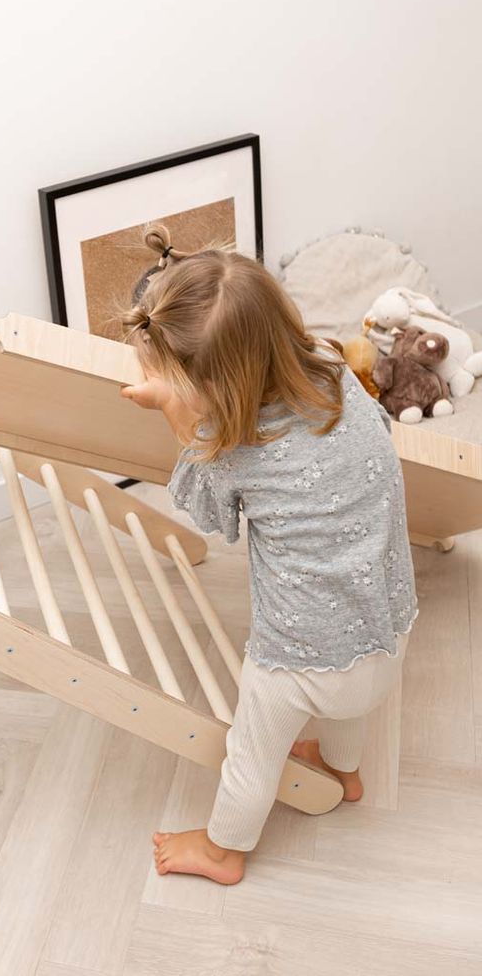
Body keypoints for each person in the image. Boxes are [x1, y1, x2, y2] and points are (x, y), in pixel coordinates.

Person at [120, 224, 417, 886]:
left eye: (171, 380)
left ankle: (224, 849)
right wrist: (180, 389)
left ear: (211, 389)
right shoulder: (336, 372)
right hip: (388, 623)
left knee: (251, 750)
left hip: (300, 658)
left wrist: (175, 416)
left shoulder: (235, 450)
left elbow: (206, 517)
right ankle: (345, 770)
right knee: (350, 687)